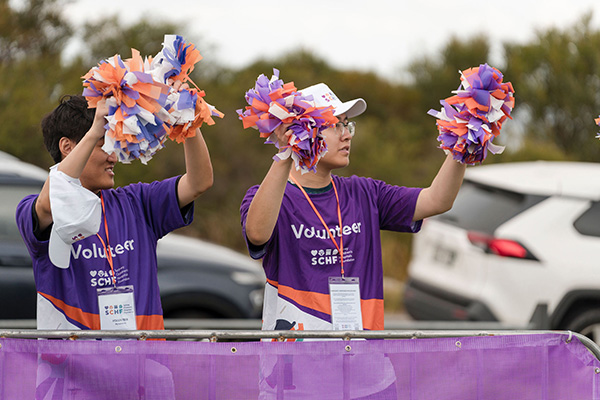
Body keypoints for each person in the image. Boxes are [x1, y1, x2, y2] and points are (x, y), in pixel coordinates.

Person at [240, 82, 466, 398]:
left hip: (369, 383)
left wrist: (463, 142)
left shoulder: (364, 193)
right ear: (306, 130)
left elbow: (437, 200)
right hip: (296, 385)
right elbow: (257, 233)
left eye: (348, 125)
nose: (347, 134)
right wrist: (285, 153)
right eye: (336, 125)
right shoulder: (271, 195)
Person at [16, 93, 213, 332]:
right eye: (103, 144)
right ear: (67, 147)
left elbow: (199, 182)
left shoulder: (137, 202)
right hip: (74, 365)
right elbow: (51, 201)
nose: (113, 156)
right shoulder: (35, 208)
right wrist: (94, 131)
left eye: (113, 144)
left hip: (140, 362)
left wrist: (187, 120)